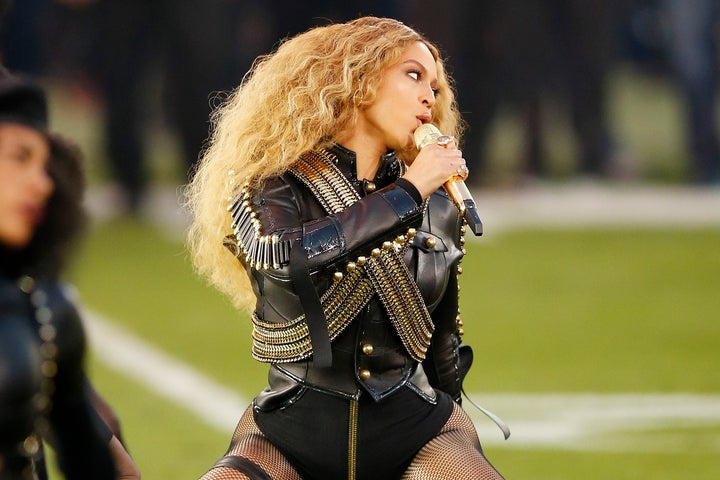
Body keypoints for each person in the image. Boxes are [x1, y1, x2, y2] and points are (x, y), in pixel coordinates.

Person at [187, 16, 505, 480]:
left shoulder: (437, 202)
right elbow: (284, 255)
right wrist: (407, 194)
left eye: (435, 87)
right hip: (292, 433)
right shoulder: (270, 180)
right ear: (358, 80)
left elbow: (441, 343)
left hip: (415, 429)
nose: (429, 97)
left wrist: (458, 435)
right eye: (413, 75)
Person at [0, 71, 140, 479]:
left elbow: (96, 453)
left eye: (44, 163)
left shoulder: (43, 310)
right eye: (20, 158)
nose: (43, 183)